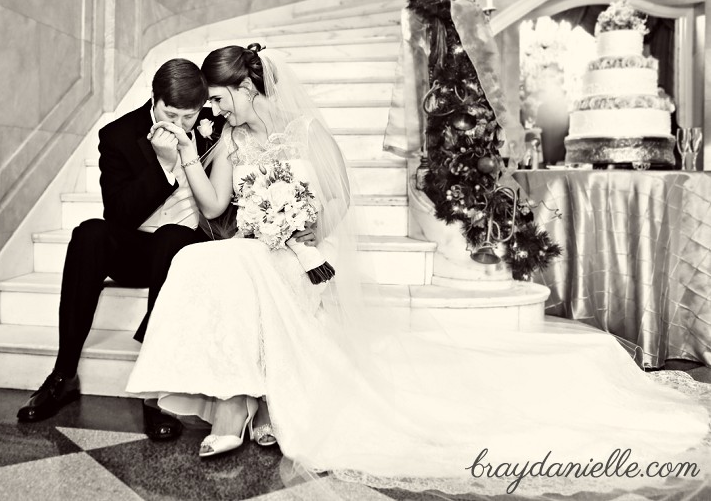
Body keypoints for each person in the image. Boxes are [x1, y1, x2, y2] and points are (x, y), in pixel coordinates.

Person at [126, 45, 711, 497]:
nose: (213, 107)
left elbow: (337, 202)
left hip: (297, 253)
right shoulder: (226, 139)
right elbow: (211, 208)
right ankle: (243, 401)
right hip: (257, 250)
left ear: (249, 86)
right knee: (202, 257)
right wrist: (181, 159)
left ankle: (238, 406)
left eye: (221, 97)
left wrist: (298, 231)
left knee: (228, 262)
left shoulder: (303, 132)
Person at [17, 58, 222, 443]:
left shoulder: (217, 128)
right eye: (170, 113)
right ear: (154, 100)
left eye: (189, 117)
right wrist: (163, 166)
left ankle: (157, 388)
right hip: (140, 249)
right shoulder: (118, 135)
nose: (179, 125)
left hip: (187, 250)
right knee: (90, 233)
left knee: (171, 237)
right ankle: (63, 373)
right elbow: (119, 215)